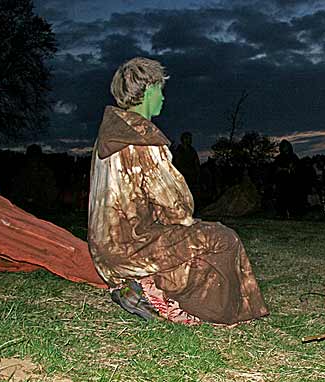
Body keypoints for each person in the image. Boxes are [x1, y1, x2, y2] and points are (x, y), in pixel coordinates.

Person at [87, 57, 268, 325]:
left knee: (182, 243)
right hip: (134, 246)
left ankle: (136, 286)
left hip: (105, 254)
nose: (162, 97)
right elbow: (178, 209)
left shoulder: (107, 138)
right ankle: (169, 301)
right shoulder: (144, 140)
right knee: (222, 238)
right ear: (148, 89)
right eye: (160, 89)